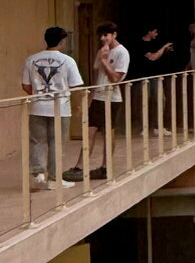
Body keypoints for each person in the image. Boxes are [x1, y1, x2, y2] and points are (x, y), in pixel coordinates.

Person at [23, 27, 85, 190]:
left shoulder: (31, 59)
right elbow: (76, 86)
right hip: (60, 108)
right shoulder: (68, 61)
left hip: (37, 107)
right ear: (62, 41)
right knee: (56, 142)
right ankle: (54, 179)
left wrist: (38, 95)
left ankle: (38, 174)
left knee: (37, 141)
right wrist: (78, 106)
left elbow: (26, 85)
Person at [65, 23, 128, 183]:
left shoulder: (122, 52)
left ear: (114, 35)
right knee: (89, 130)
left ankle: (106, 167)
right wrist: (91, 97)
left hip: (111, 98)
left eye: (106, 35)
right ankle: (80, 166)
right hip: (98, 96)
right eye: (101, 35)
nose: (102, 38)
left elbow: (116, 78)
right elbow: (97, 75)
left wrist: (105, 61)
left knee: (108, 132)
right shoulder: (102, 51)